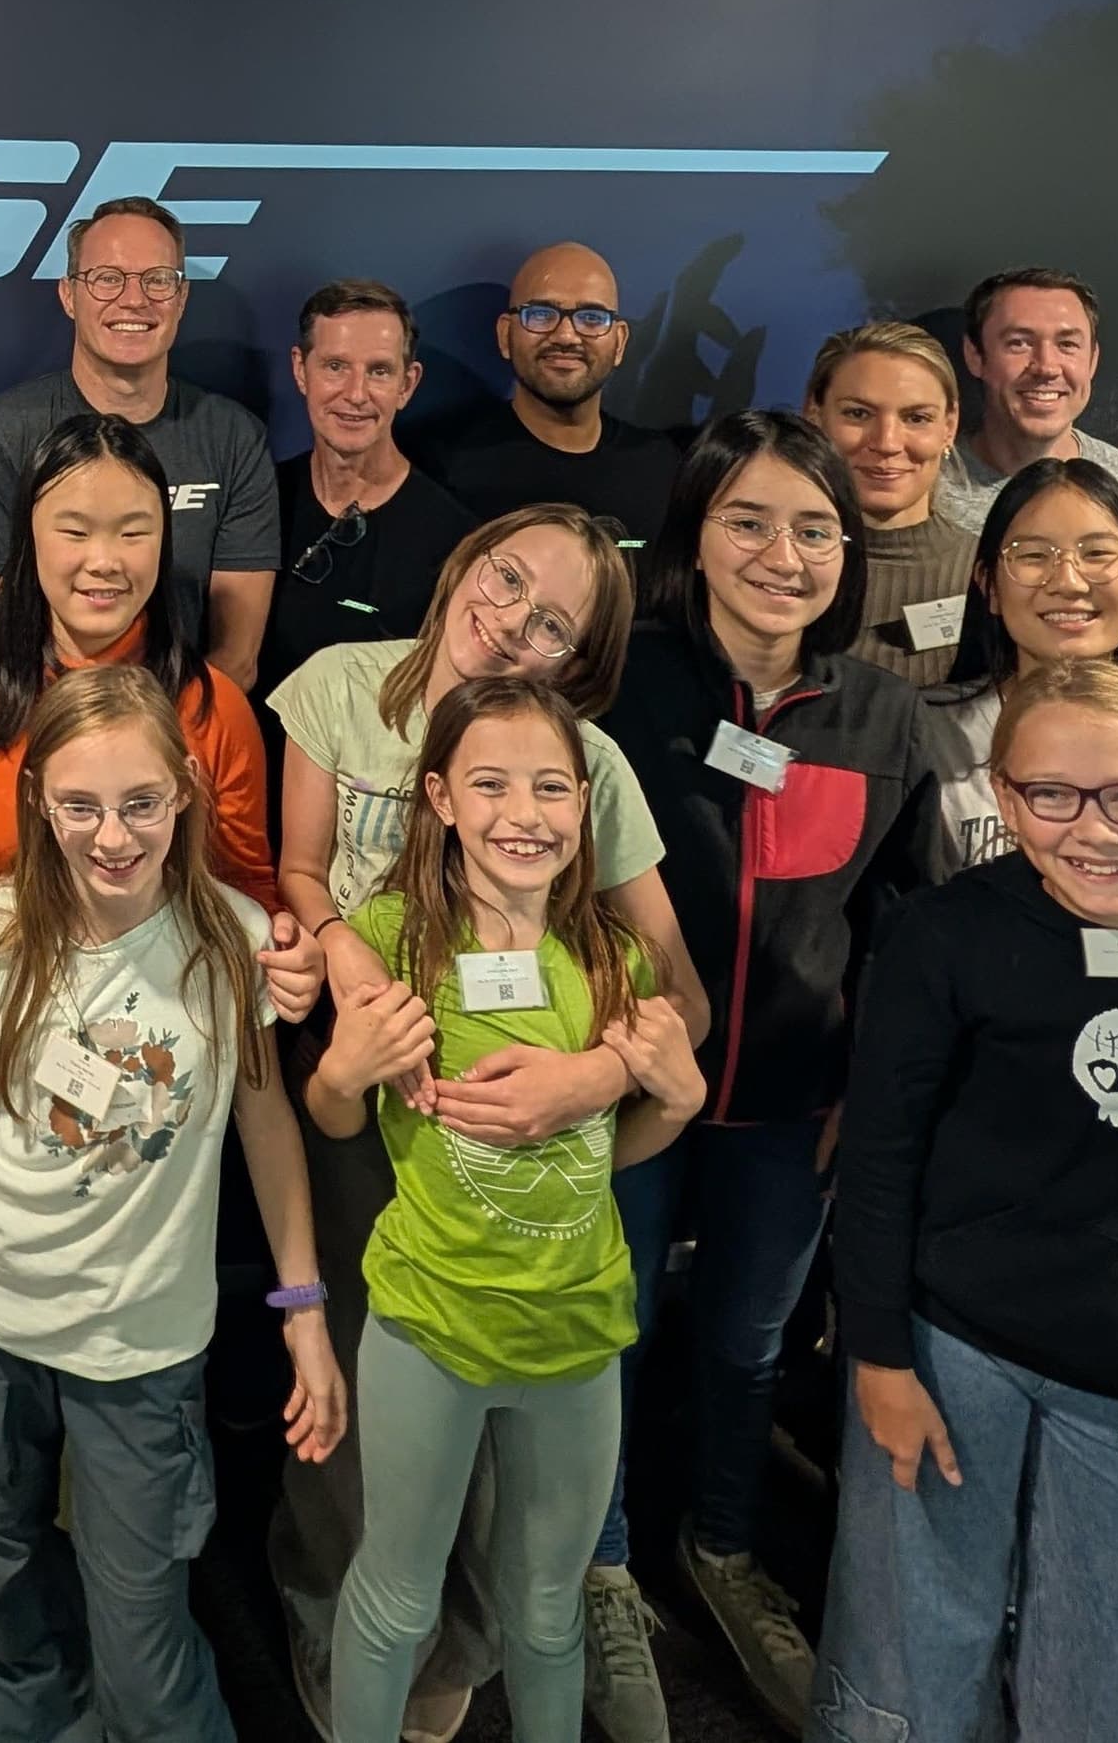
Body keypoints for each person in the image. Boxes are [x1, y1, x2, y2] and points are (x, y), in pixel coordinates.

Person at [0, 664, 350, 1743]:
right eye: (79, 805)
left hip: (141, 1349)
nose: (111, 836)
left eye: (139, 804)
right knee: (7, 1602)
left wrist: (303, 1306)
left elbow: (267, 1127)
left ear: (184, 798)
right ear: (38, 804)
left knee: (143, 1638)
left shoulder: (237, 947)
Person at [270, 505, 695, 1743]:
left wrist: (606, 1074)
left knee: (530, 1562)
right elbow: (300, 884)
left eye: (554, 619)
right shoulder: (343, 693)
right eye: (508, 578)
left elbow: (675, 1011)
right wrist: (348, 973)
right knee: (358, 1445)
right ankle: (345, 1632)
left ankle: (464, 1647)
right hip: (384, 1126)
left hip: (564, 1286)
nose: (513, 618)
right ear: (442, 796)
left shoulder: (593, 805)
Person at [818, 661, 1118, 1743]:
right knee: (913, 1664)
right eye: (1051, 795)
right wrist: (879, 1357)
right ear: (1007, 796)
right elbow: (880, 1157)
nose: (1096, 829)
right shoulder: (945, 934)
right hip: (950, 1345)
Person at [598, 410, 945, 1735]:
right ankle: (602, 1560)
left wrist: (871, 1087)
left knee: (746, 1345)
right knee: (609, 1335)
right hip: (629, 1093)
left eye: (815, 528)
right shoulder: (621, 685)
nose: (782, 553)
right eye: (748, 519)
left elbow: (908, 925)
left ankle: (725, 1547)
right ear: (694, 534)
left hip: (789, 1106)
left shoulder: (883, 711)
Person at [0, 412, 293, 1000]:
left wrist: (281, 955)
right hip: (0, 1002)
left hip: (164, 1014)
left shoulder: (214, 708)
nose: (104, 561)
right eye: (75, 532)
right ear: (28, 537)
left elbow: (242, 883)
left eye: (134, 533)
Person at [0, 197, 278, 685]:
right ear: (69, 295)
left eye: (158, 280)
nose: (134, 300)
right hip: (34, 737)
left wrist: (151, 747)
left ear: (182, 299)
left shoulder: (234, 439)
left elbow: (234, 661)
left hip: (179, 739)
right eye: (107, 278)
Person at [919, 454, 1118, 872]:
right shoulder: (925, 739)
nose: (1067, 582)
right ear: (989, 584)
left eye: (1098, 553)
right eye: (1032, 556)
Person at [267, 278, 478, 695]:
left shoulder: (455, 542)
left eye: (379, 371)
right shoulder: (257, 500)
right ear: (299, 370)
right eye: (335, 366)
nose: (356, 394)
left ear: (407, 384)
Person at [414, 244, 679, 551]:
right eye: (540, 314)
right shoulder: (440, 468)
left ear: (619, 342)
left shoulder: (660, 466)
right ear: (505, 335)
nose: (566, 336)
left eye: (591, 318)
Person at [934, 269, 1118, 586]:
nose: (1046, 367)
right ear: (975, 356)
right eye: (1019, 343)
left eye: (1067, 344)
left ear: (1092, 360)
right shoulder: (925, 490)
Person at [801, 322, 974, 692]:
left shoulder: (988, 574)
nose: (887, 442)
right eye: (858, 414)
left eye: (916, 418)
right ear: (815, 415)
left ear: (949, 426)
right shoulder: (775, 565)